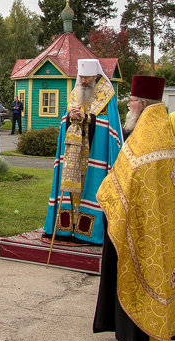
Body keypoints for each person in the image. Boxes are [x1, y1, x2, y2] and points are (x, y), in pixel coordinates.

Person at [93, 75, 175, 341]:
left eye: (130, 101)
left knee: (138, 275)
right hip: (163, 223)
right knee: (160, 272)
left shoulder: (143, 136)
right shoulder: (162, 128)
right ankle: (159, 335)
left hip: (141, 223)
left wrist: (105, 197)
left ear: (141, 103)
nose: (128, 106)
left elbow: (122, 180)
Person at [43, 59, 123, 246]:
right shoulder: (75, 93)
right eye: (81, 77)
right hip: (74, 155)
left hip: (94, 154)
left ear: (96, 76)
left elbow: (109, 128)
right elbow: (64, 120)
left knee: (92, 188)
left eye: (87, 78)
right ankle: (67, 228)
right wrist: (71, 117)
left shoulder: (106, 95)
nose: (84, 81)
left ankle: (88, 233)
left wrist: (87, 118)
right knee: (71, 189)